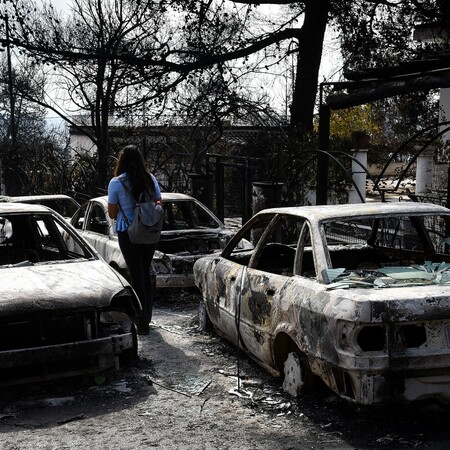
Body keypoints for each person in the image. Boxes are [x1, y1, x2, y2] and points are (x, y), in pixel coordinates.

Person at [107, 145, 162, 335]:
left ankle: (141, 322)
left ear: (121, 161)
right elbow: (159, 202)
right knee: (145, 273)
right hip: (149, 232)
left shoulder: (116, 183)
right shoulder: (150, 178)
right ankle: (147, 317)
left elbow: (112, 213)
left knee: (135, 275)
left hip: (128, 232)